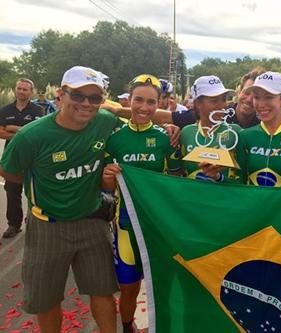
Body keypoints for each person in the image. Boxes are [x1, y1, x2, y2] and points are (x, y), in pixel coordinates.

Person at [0, 66, 120, 332]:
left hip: (92, 221)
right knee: (47, 299)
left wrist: (172, 125)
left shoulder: (104, 121)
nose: (86, 104)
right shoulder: (31, 135)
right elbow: (8, 169)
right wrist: (40, 188)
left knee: (103, 291)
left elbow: (134, 116)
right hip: (47, 226)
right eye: (78, 96)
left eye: (94, 98)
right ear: (61, 96)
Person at [101, 74, 181, 333]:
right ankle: (127, 327)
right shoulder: (114, 138)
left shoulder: (165, 139)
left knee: (163, 287)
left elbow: (177, 184)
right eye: (139, 100)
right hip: (125, 226)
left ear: (162, 104)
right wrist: (108, 179)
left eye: (151, 102)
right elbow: (106, 190)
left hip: (158, 228)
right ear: (129, 100)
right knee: (129, 289)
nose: (144, 108)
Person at [0, 78, 44, 238]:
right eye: (19, 88)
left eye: (25, 89)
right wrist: (23, 131)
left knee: (35, 190)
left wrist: (12, 128)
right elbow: (0, 132)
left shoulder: (37, 110)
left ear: (30, 92)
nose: (21, 91)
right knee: (12, 191)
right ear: (15, 89)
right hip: (11, 157)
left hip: (34, 157)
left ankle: (34, 222)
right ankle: (14, 224)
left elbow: (38, 133)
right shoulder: (6, 110)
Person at [180, 75, 244, 182]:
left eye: (224, 99)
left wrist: (219, 178)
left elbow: (242, 181)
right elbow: (177, 175)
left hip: (223, 197)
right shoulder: (186, 132)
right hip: (191, 197)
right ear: (198, 103)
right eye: (214, 100)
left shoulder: (235, 131)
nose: (222, 105)